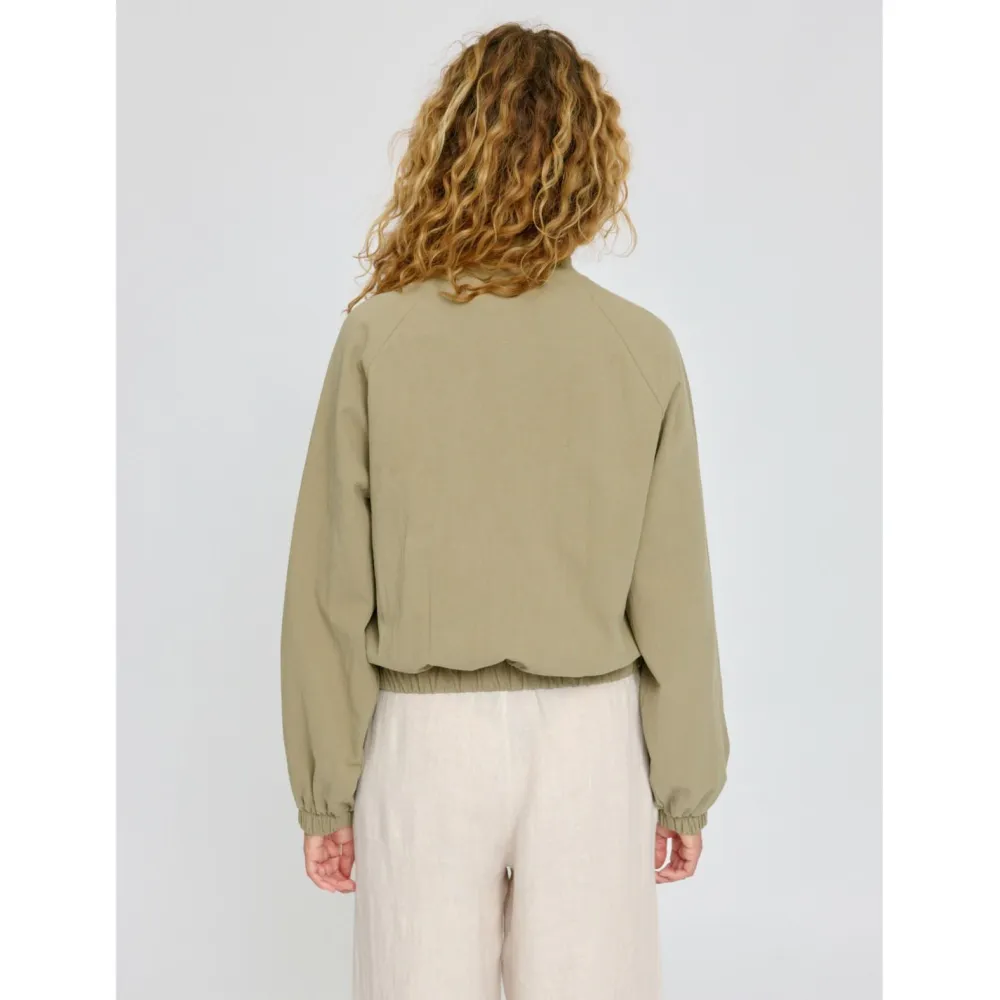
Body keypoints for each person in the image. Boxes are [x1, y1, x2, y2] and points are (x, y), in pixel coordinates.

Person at [280, 21, 729, 1000]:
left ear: (447, 151)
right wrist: (685, 783)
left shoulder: (381, 338)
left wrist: (325, 793)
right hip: (590, 743)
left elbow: (330, 590)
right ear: (592, 169)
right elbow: (674, 596)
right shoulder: (639, 349)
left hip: (424, 746)